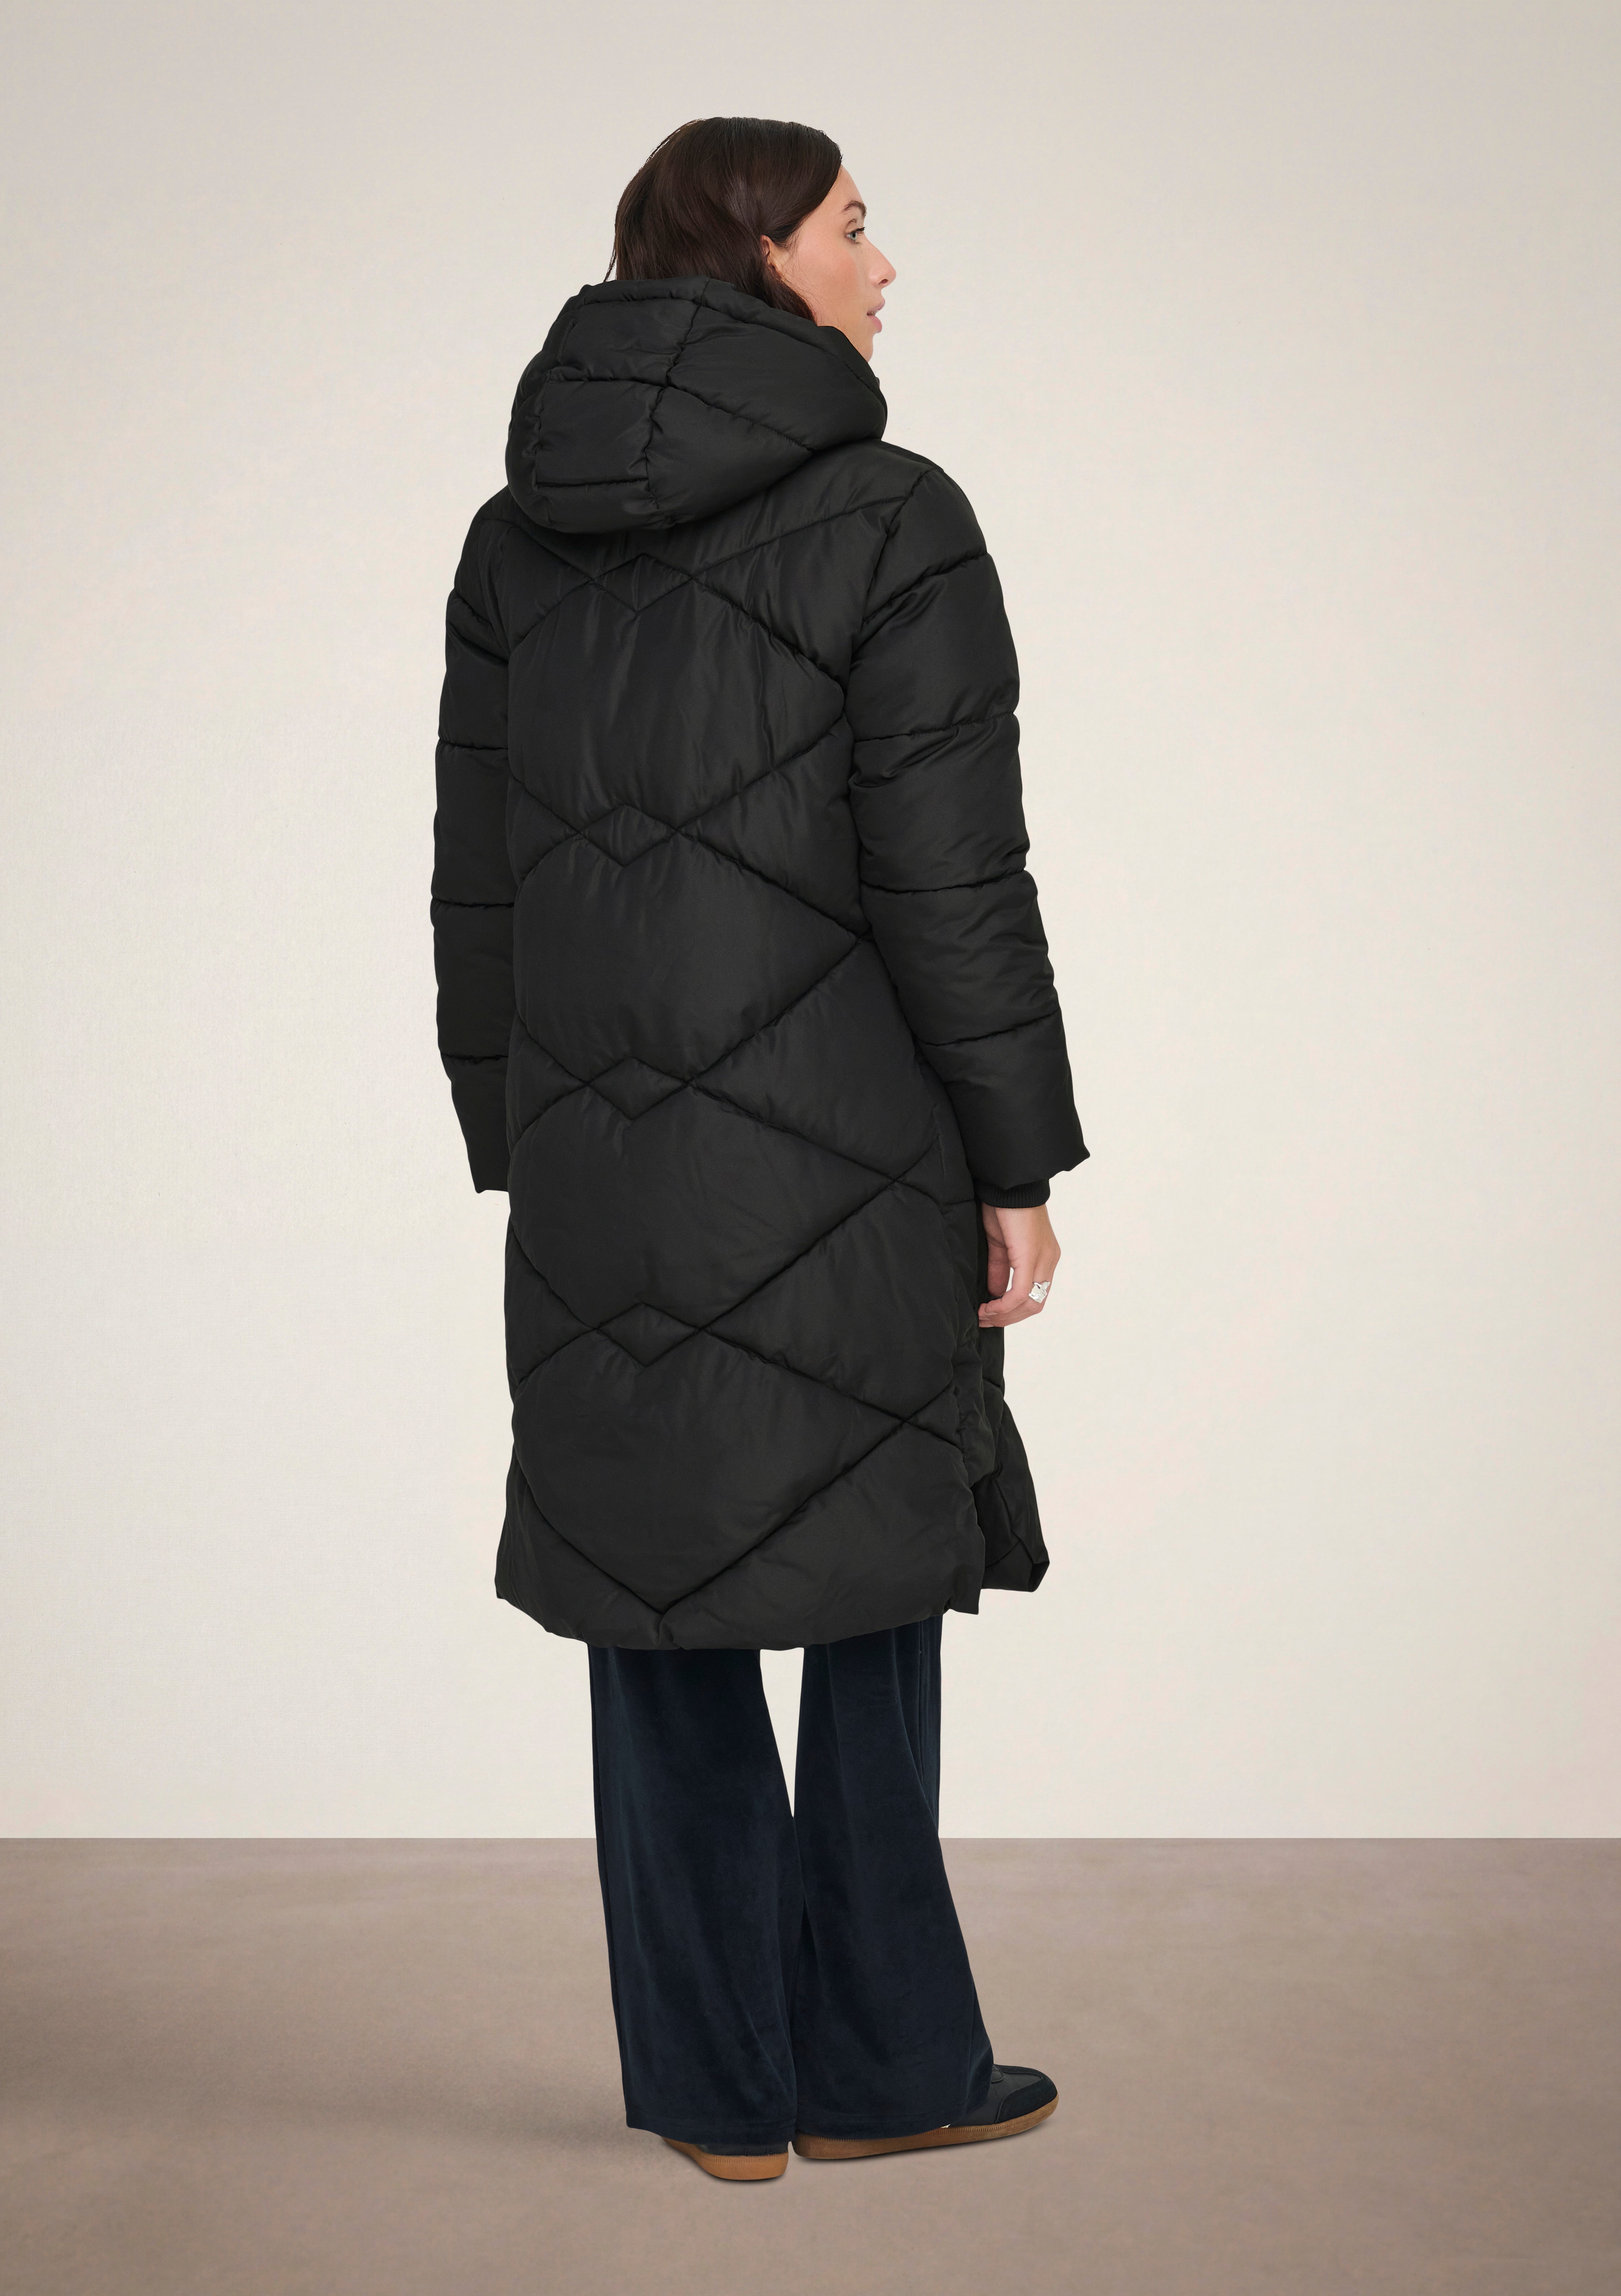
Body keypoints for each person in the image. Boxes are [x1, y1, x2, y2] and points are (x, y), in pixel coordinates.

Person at [432, 116, 1088, 2181]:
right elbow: (954, 882)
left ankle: (720, 2094)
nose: (884, 265)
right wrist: (1016, 1163)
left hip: (599, 1159)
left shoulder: (515, 536)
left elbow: (478, 880)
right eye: (854, 227)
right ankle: (888, 2067)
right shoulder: (893, 515)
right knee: (874, 1578)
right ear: (762, 255)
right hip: (858, 1151)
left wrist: (519, 1135)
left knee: (659, 1592)